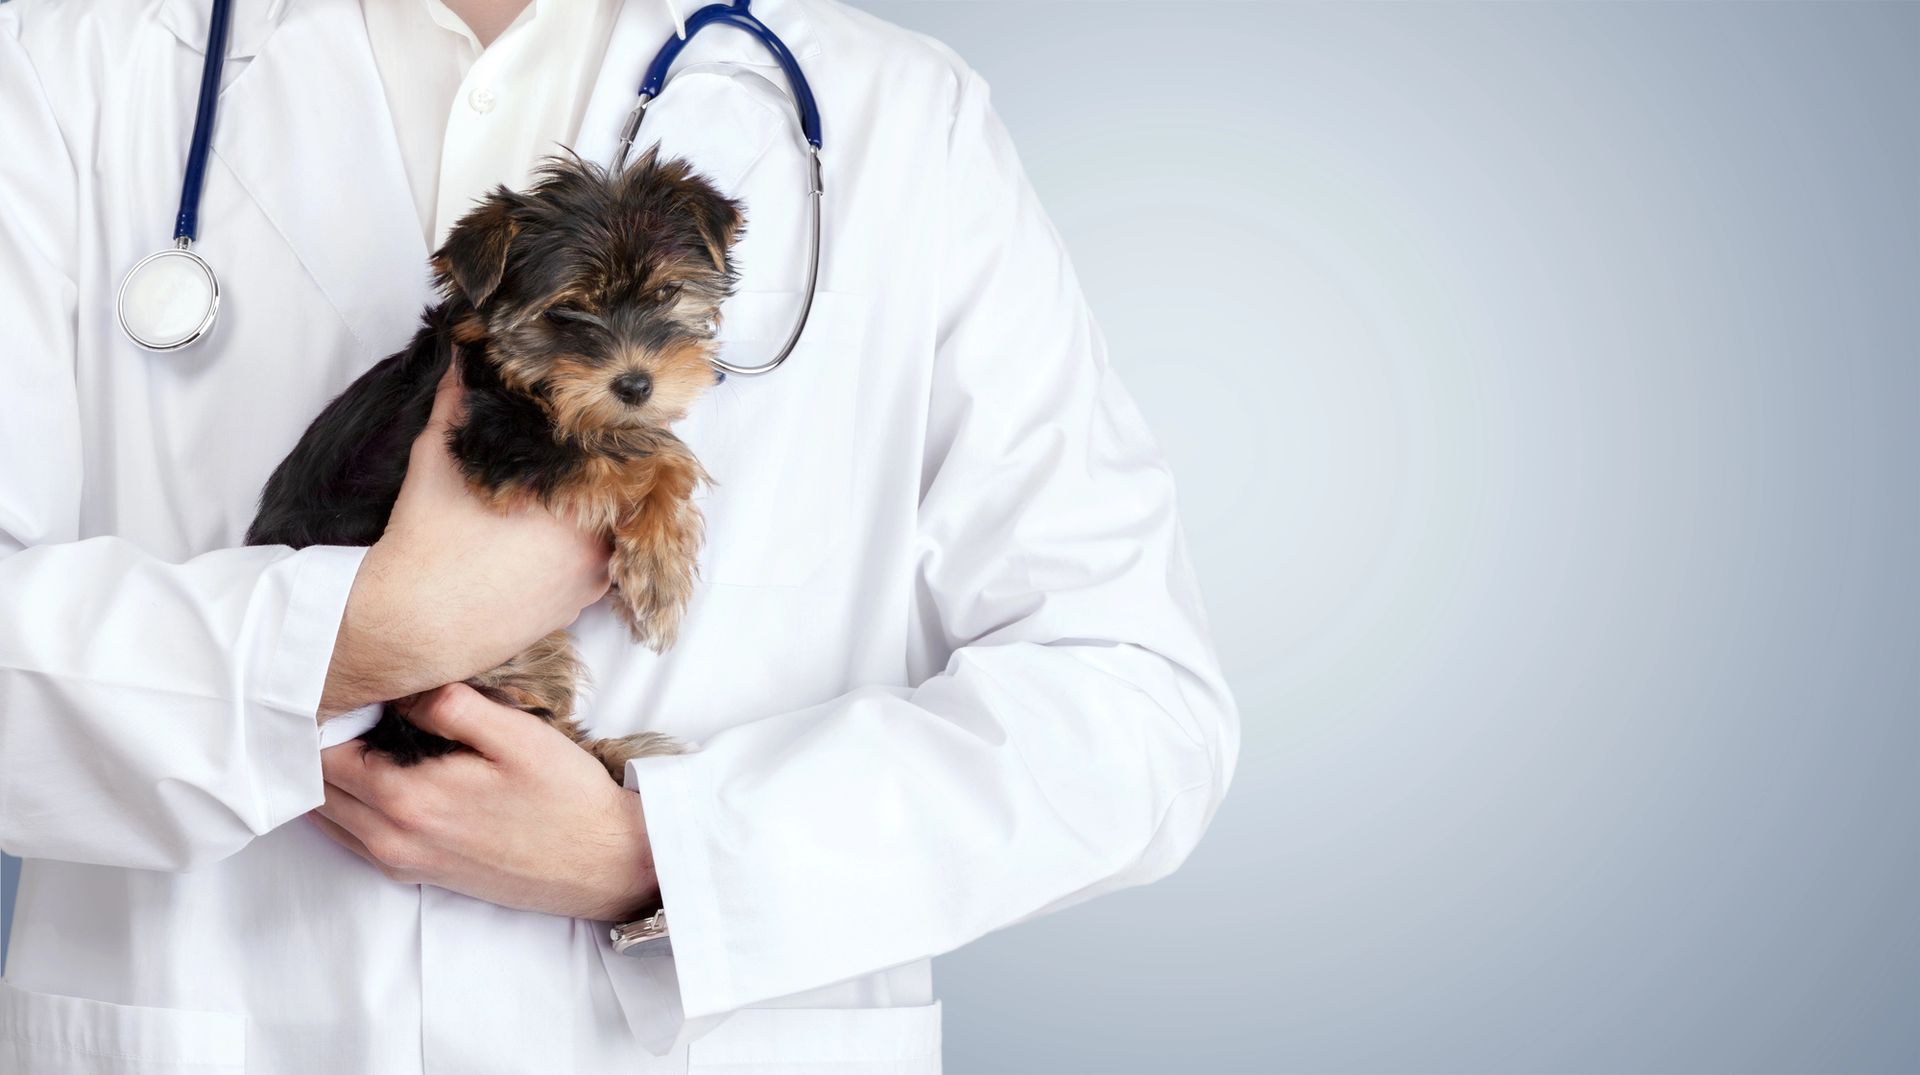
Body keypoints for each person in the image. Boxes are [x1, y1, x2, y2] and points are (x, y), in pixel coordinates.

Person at [0, 0, 1239, 1070]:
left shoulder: (901, 115)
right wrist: (355, 641)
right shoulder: (63, 69)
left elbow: (1134, 711)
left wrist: (668, 860)